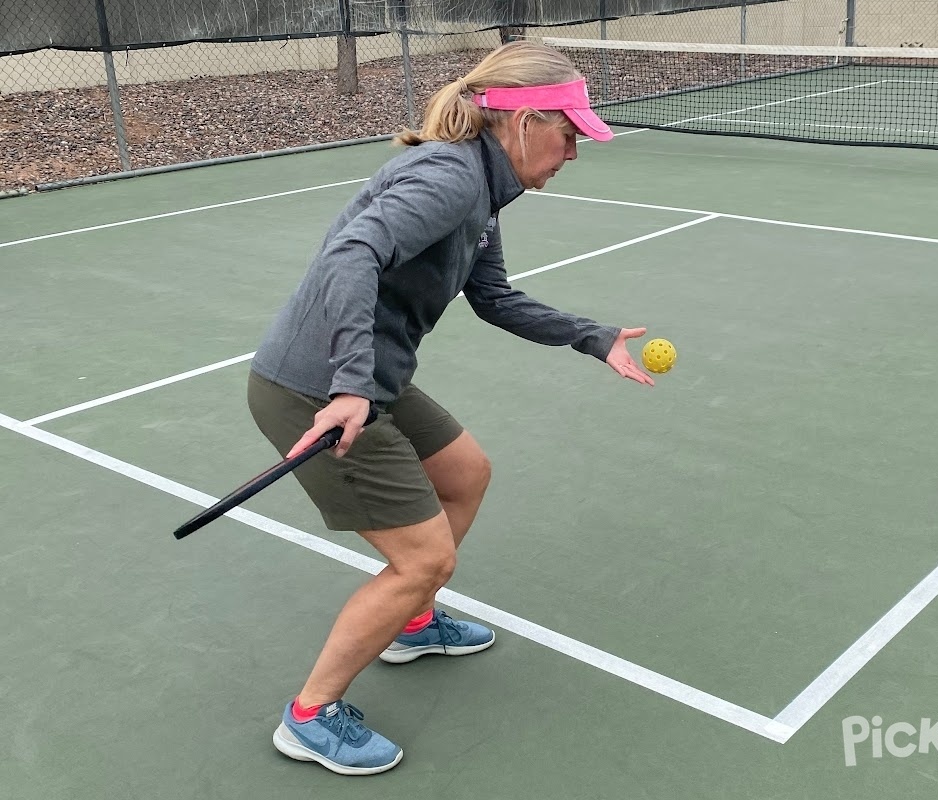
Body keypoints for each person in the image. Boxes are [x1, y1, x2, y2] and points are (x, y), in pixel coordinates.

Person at [245, 40, 656, 776]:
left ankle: (410, 620)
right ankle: (309, 716)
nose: (574, 153)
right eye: (569, 136)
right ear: (526, 122)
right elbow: (351, 254)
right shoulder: (448, 177)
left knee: (464, 473)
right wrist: (348, 385)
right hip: (317, 389)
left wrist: (591, 337)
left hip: (372, 377)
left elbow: (494, 297)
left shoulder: (485, 189)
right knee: (424, 557)